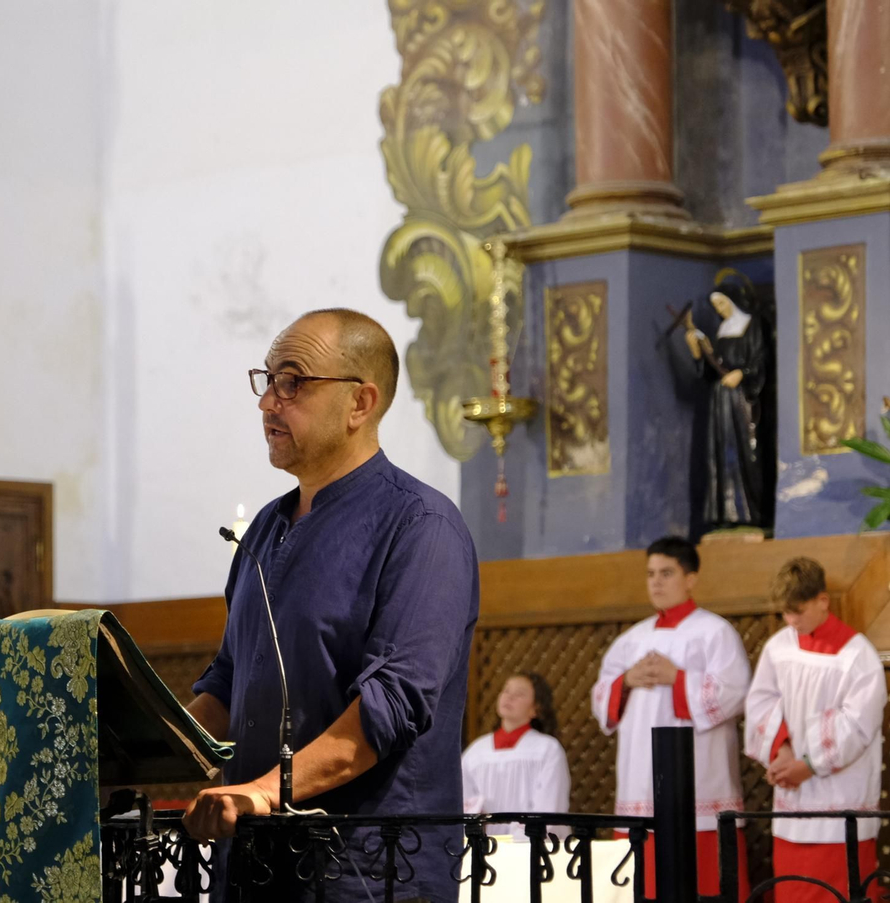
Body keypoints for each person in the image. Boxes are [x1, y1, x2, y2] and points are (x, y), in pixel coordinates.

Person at [182, 308, 479, 903]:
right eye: (267, 380)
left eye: (292, 381)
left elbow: (390, 706)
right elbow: (228, 683)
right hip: (256, 868)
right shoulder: (267, 527)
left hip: (368, 871)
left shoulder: (421, 525)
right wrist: (126, 750)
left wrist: (264, 791)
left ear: (360, 403)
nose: (269, 402)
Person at [591, 536, 751, 898]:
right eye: (650, 574)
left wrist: (678, 679)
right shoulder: (631, 640)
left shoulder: (715, 632)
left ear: (691, 578)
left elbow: (734, 692)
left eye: (666, 573)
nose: (656, 582)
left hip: (700, 782)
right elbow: (601, 697)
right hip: (639, 781)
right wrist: (625, 682)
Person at [744, 557, 887, 903]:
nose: (791, 621)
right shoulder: (779, 647)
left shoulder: (858, 655)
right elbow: (761, 702)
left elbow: (857, 725)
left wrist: (808, 765)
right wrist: (782, 753)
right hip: (793, 801)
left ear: (822, 601)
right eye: (785, 613)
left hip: (841, 801)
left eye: (798, 611)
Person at [683, 282, 772, 530]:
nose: (720, 310)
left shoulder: (752, 326)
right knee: (721, 454)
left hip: (743, 399)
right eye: (715, 306)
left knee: (748, 452)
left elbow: (761, 360)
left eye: (722, 303)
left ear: (734, 301)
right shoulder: (722, 330)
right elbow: (712, 372)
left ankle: (752, 513)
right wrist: (699, 353)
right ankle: (727, 513)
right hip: (721, 402)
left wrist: (742, 374)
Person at [461, 672, 570, 841]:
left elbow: (550, 805)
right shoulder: (476, 751)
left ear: (536, 708)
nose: (509, 697)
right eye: (506, 691)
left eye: (519, 694)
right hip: (483, 848)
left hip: (530, 848)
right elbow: (465, 800)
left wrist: (520, 839)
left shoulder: (547, 749)